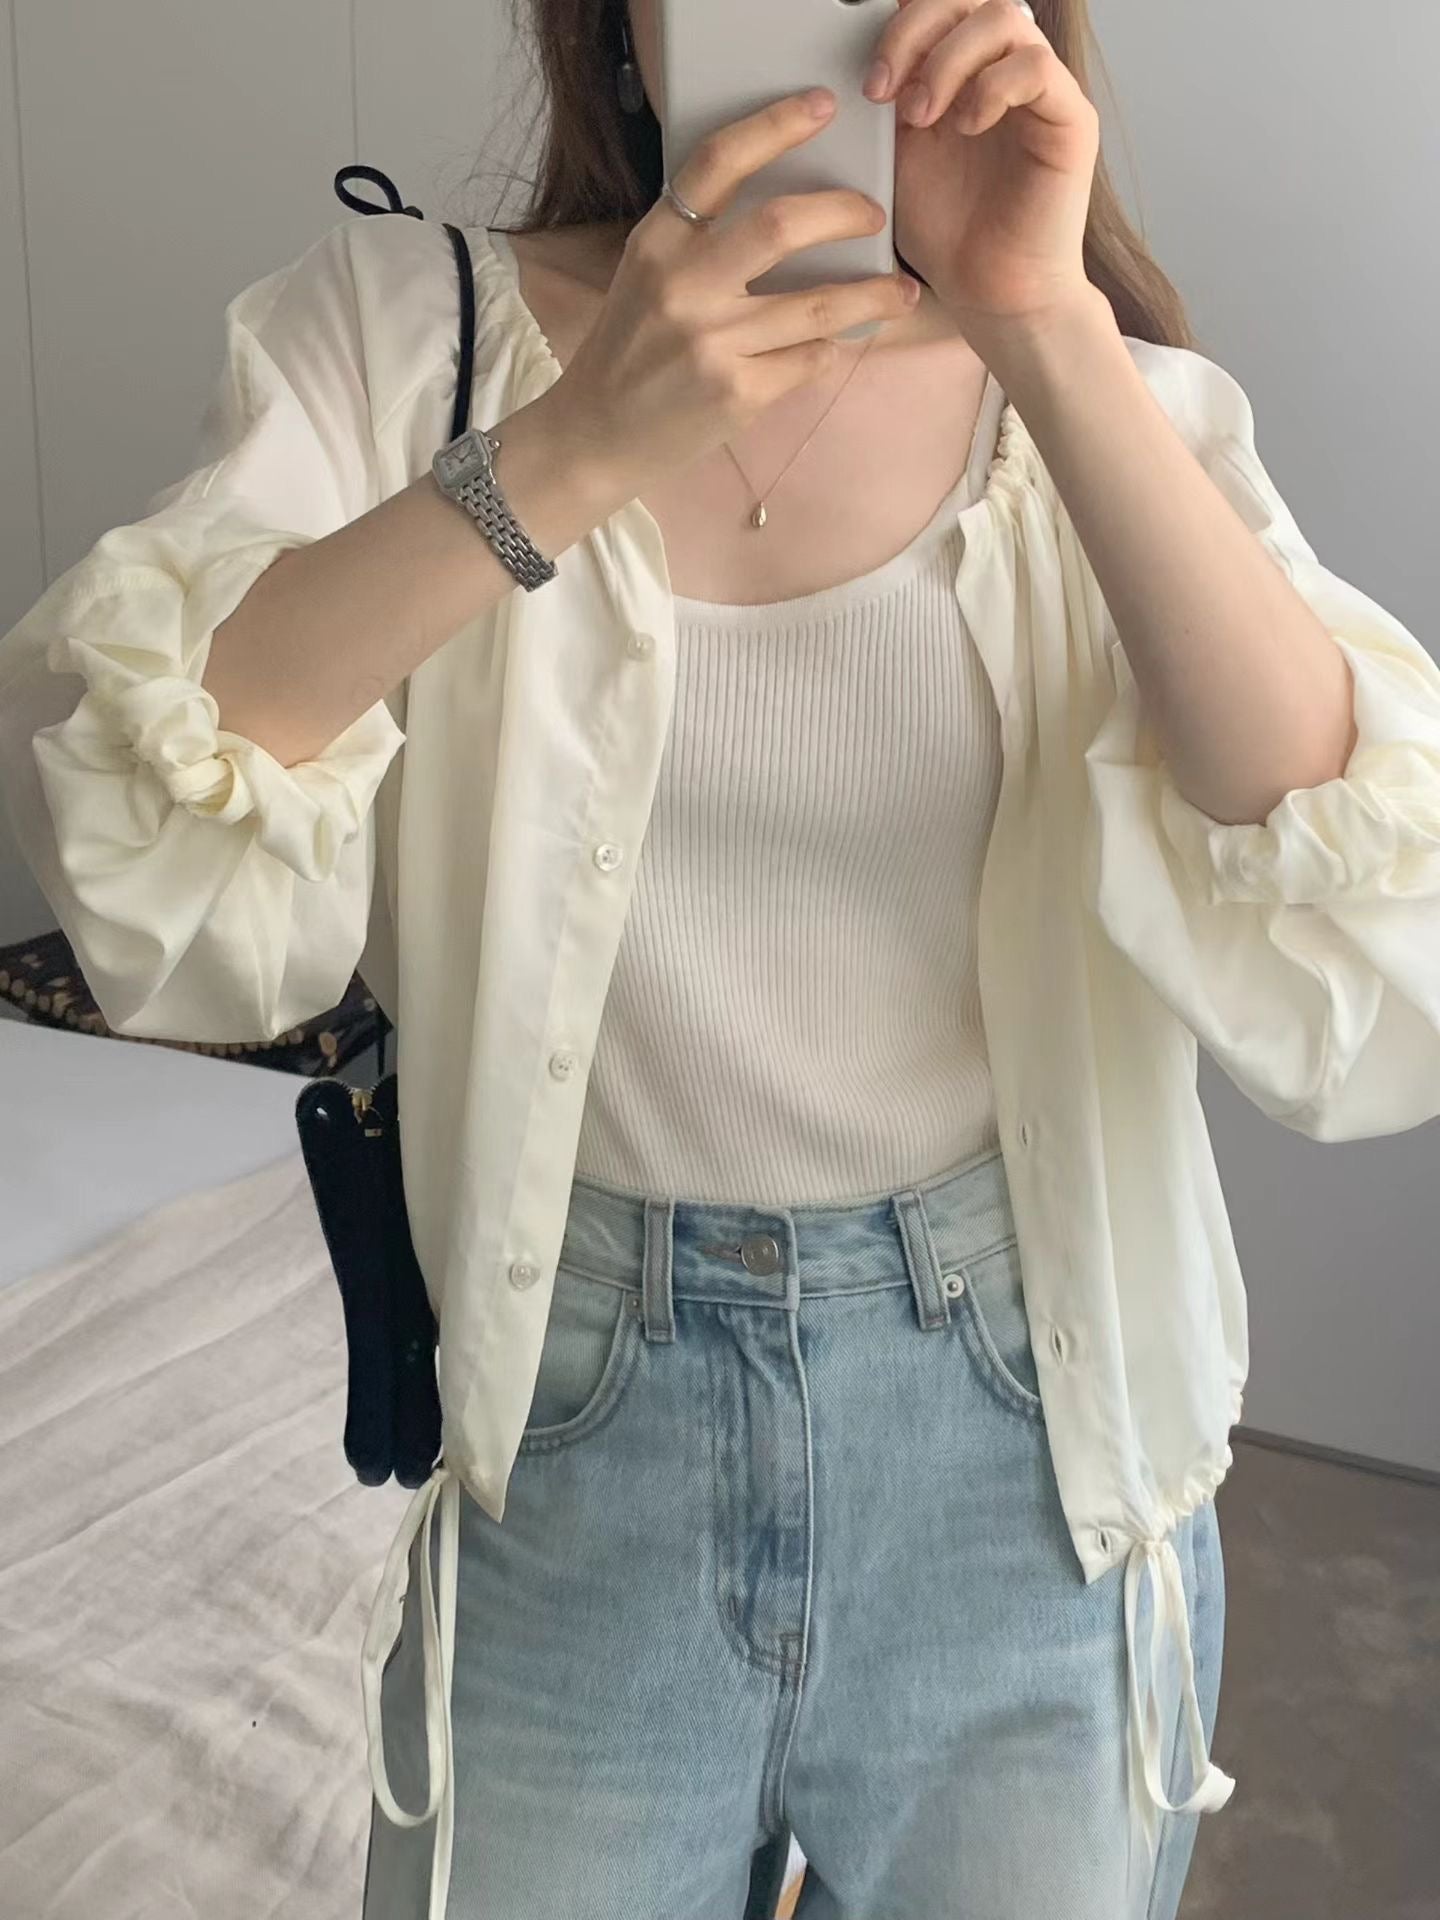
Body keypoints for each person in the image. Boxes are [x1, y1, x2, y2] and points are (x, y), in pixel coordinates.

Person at [3, 1, 1439, 1917]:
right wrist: (573, 448)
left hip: (1035, 1452)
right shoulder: (404, 337)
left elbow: (1358, 915)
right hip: (575, 1434)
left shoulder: (1100, 396)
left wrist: (1040, 319)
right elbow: (145, 828)